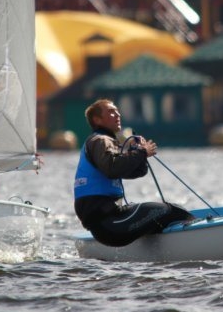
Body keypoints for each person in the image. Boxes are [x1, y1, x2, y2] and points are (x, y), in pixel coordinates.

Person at [74, 99, 193, 247]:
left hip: (109, 221)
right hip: (108, 224)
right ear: (97, 120)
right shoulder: (101, 140)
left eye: (117, 111)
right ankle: (196, 235)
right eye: (111, 112)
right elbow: (112, 168)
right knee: (170, 211)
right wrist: (141, 152)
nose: (117, 114)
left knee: (162, 213)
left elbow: (136, 172)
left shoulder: (104, 142)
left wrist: (137, 151)